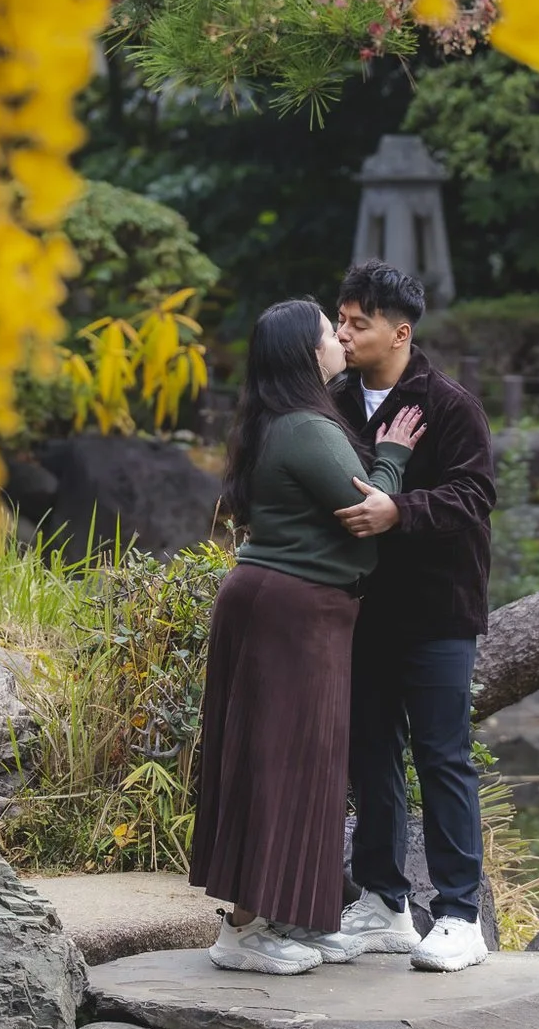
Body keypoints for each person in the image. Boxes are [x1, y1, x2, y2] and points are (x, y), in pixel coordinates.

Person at [190, 297, 424, 974]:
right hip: (292, 609)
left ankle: (284, 916)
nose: (340, 338)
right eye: (329, 330)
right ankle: (241, 932)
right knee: (278, 762)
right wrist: (393, 456)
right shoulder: (305, 427)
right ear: (303, 352)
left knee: (298, 762)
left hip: (286, 605)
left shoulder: (278, 421)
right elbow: (365, 511)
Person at [329, 262, 499, 973]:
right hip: (358, 609)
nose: (343, 333)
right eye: (340, 320)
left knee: (442, 755)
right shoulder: (333, 399)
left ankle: (460, 914)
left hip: (437, 612)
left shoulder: (450, 405)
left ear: (400, 332)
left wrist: (399, 510)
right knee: (370, 755)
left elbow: (474, 495)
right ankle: (383, 903)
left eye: (358, 323)